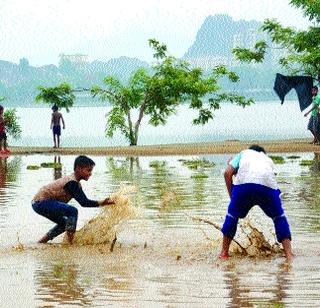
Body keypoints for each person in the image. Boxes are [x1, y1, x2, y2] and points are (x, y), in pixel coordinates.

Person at [219, 145, 294, 261]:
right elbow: (267, 178)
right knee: (279, 217)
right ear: (262, 153)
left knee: (232, 216)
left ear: (250, 150)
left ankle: (224, 253)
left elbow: (227, 173)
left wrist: (232, 197)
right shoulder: (267, 160)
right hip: (267, 187)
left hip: (244, 187)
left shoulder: (244, 153)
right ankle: (289, 255)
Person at [32, 155, 115, 244]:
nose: (90, 173)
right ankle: (70, 242)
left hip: (38, 204)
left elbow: (84, 202)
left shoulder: (76, 184)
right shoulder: (72, 182)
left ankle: (41, 242)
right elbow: (84, 203)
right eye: (89, 170)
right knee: (72, 211)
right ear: (78, 169)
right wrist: (103, 202)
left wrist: (104, 202)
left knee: (65, 224)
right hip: (41, 202)